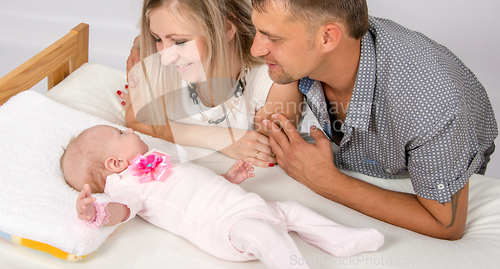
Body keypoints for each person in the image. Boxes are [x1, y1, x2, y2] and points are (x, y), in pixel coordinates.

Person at [250, 0, 498, 240]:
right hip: (361, 160)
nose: (256, 49)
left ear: (328, 37)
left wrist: (326, 181)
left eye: (274, 38)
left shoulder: (434, 105)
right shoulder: (310, 49)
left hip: (418, 179)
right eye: (258, 31)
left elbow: (446, 224)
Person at [61, 125, 384, 269]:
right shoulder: (129, 185)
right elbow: (120, 210)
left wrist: (229, 178)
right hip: (227, 227)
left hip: (245, 204)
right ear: (115, 164)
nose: (129, 131)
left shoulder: (162, 161)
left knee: (293, 210)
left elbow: (196, 184)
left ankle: (342, 240)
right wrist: (96, 214)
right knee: (264, 234)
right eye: (121, 134)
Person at [120, 0, 303, 167]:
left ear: (226, 28)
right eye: (157, 38)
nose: (165, 56)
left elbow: (264, 151)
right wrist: (218, 138)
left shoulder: (274, 82)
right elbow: (137, 119)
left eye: (179, 41)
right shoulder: (158, 60)